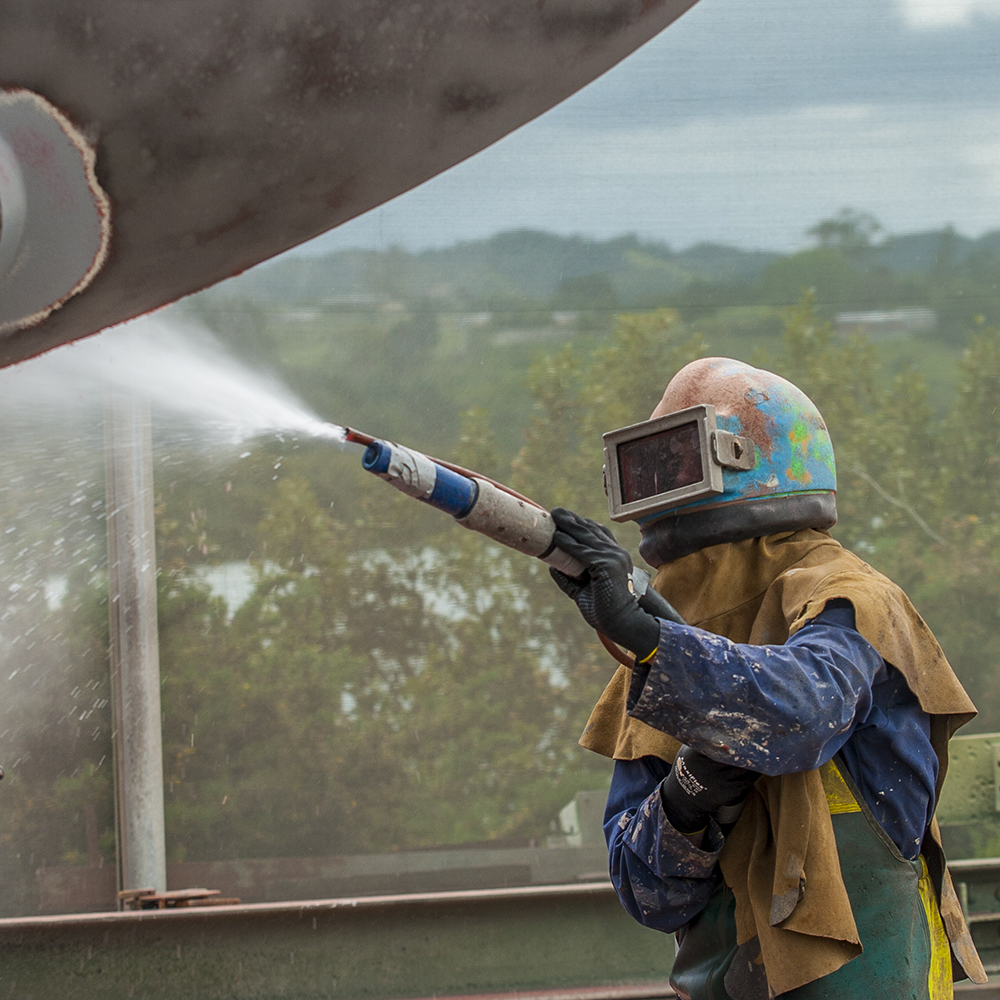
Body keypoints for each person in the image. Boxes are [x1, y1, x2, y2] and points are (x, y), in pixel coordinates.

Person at [548, 357, 985, 1000]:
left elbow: (798, 712)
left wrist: (652, 639)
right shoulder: (660, 669)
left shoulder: (854, 604)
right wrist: (689, 796)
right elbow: (646, 893)